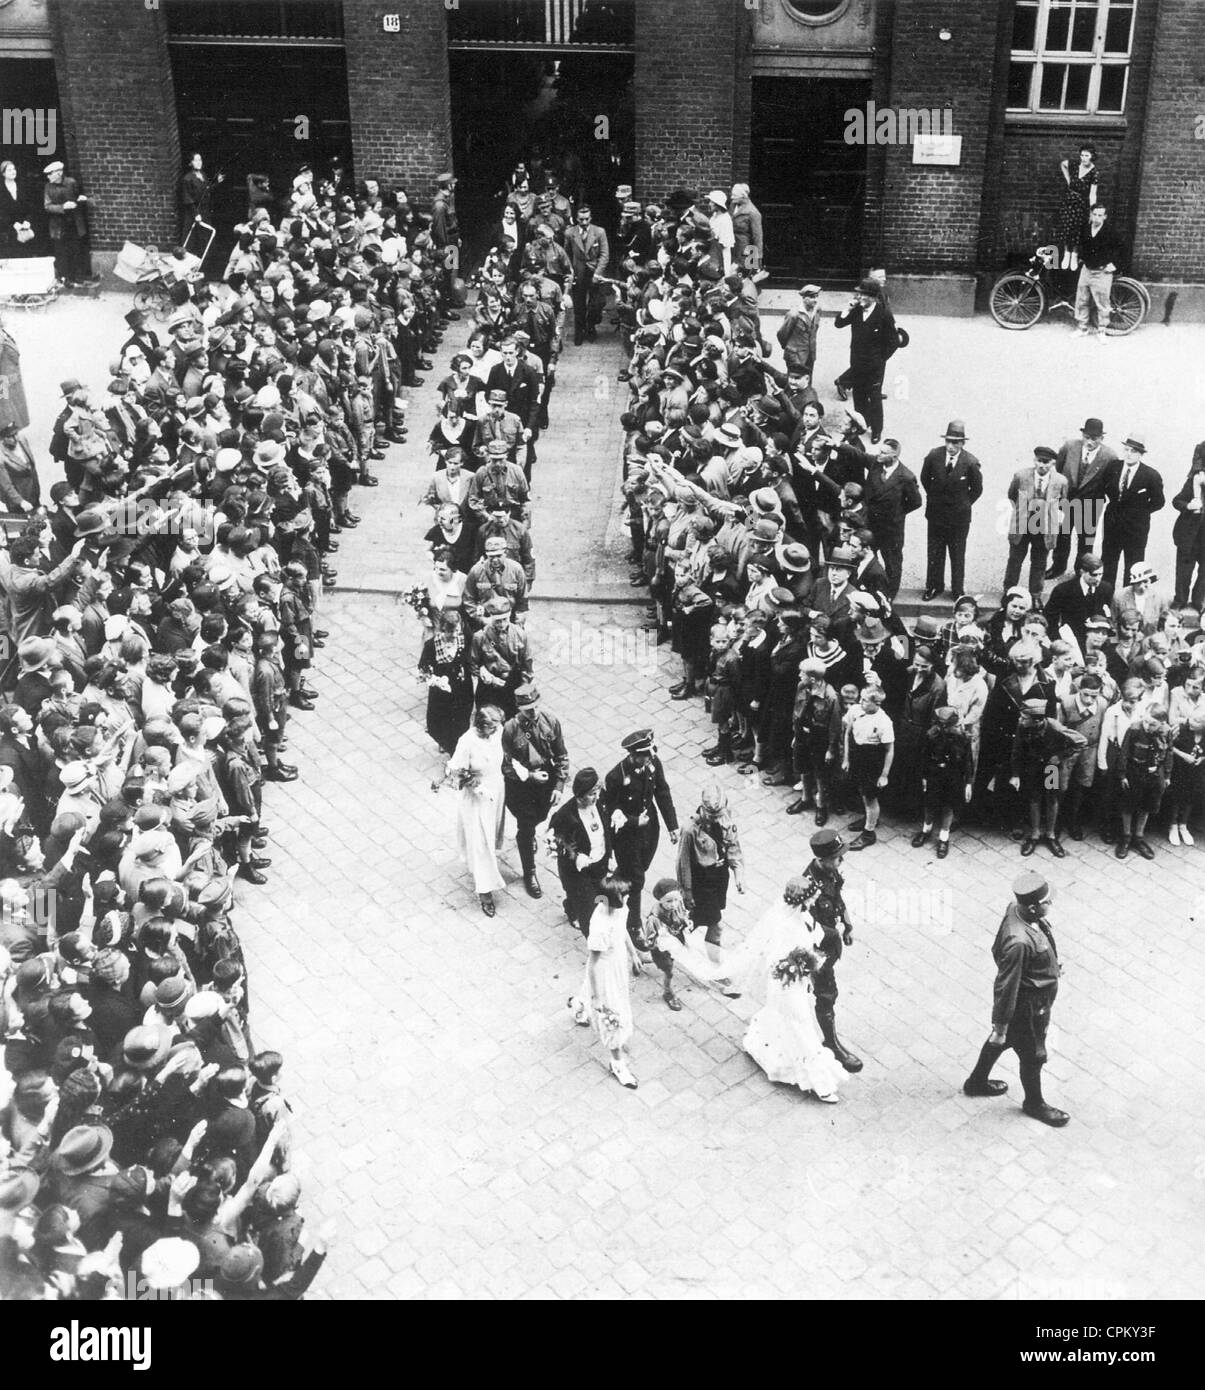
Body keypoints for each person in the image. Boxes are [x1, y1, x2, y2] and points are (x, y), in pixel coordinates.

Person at [962, 871, 1068, 1128]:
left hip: (1028, 1000)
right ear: (1032, 907)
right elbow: (1006, 986)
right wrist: (1000, 1025)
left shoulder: (1016, 909)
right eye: (1047, 902)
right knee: (1033, 1055)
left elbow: (999, 949)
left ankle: (976, 1082)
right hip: (1030, 1008)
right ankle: (1034, 1103)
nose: (1050, 904)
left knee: (1005, 1039)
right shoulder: (1019, 943)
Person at [602, 729, 679, 940]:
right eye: (645, 755)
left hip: (650, 831)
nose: (649, 758)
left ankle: (603, 893)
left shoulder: (653, 765)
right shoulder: (616, 777)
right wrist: (635, 821)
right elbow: (610, 812)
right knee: (637, 879)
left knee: (634, 872)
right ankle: (634, 926)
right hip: (627, 837)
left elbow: (662, 792)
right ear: (633, 755)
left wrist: (672, 825)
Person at [433, 704, 507, 917]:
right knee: (480, 842)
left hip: (497, 789)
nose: (496, 730)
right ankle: (485, 891)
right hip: (477, 797)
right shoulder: (467, 741)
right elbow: (458, 771)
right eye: (492, 727)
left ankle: (487, 866)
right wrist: (479, 788)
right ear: (482, 725)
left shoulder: (498, 732)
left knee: (491, 836)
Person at [567, 878, 640, 1089]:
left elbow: (622, 927)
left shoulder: (620, 907)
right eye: (624, 896)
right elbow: (594, 964)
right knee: (612, 1017)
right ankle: (617, 1064)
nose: (628, 899)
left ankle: (579, 1006)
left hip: (618, 963)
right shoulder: (599, 925)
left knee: (589, 993)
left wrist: (633, 952)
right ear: (614, 899)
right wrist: (598, 996)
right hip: (605, 972)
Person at [500, 684, 568, 899]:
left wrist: (559, 786)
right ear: (519, 708)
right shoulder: (510, 730)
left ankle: (528, 835)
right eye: (528, 709)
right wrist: (530, 776)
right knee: (526, 826)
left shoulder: (550, 720)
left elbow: (561, 756)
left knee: (540, 816)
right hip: (521, 786)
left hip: (546, 782)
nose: (533, 712)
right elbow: (505, 765)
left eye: (535, 706)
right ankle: (529, 872)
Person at [675, 785, 744, 970]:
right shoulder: (690, 829)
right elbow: (683, 864)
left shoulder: (725, 818)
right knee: (716, 926)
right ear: (703, 808)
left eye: (719, 814)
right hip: (701, 883)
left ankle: (672, 934)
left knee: (697, 919)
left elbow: (733, 845)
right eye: (711, 815)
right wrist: (687, 894)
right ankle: (717, 969)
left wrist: (738, 874)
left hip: (719, 879)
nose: (716, 819)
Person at [919, 420, 982, 601]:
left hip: (959, 519)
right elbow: (925, 479)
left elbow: (977, 490)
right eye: (948, 441)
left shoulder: (970, 462)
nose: (951, 446)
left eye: (955, 442)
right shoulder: (934, 456)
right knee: (935, 552)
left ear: (963, 443)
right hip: (936, 515)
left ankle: (957, 590)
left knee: (957, 554)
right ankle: (933, 586)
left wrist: (963, 504)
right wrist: (935, 498)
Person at [1049, 416, 1118, 578]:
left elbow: (1110, 482)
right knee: (1062, 536)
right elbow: (1058, 471)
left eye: (1094, 438)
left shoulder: (1110, 456)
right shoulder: (1069, 447)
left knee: (1086, 540)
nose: (1090, 442)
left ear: (1101, 438)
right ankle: (1058, 566)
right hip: (1067, 501)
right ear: (1082, 435)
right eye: (1087, 437)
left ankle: (1081, 570)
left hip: (1091, 504)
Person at [547, 767, 611, 936]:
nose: (596, 797)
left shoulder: (600, 802)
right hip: (579, 872)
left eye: (597, 792)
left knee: (599, 894)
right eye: (591, 794)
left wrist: (609, 855)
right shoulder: (565, 815)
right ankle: (593, 940)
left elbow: (605, 831)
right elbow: (555, 841)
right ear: (580, 795)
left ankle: (571, 905)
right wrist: (575, 857)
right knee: (587, 911)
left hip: (600, 862)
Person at [832, 278, 897, 443]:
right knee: (859, 395)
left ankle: (876, 430)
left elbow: (893, 342)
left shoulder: (884, 314)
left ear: (874, 297)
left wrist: (880, 359)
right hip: (856, 363)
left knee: (874, 398)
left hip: (875, 367)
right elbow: (839, 324)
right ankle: (861, 423)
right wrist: (847, 309)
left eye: (864, 295)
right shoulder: (856, 311)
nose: (860, 297)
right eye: (859, 294)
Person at [1099, 431, 1165, 590]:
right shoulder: (1113, 467)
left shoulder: (1151, 475)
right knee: (1108, 561)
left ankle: (1128, 599)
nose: (1128, 454)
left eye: (1133, 451)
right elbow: (1103, 487)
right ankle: (1106, 599)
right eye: (1126, 450)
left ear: (1141, 454)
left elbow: (1158, 502)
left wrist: (1140, 512)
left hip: (1136, 527)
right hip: (1112, 522)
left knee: (1133, 564)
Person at [862, 438, 921, 599]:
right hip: (871, 525)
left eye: (883, 453)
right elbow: (858, 455)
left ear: (894, 457)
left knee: (892, 564)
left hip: (891, 529)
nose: (878, 455)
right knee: (868, 559)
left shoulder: (906, 477)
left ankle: (889, 596)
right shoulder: (876, 464)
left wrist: (896, 513)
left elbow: (916, 502)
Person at [841, 686, 894, 852]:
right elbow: (847, 733)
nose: (860, 702)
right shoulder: (856, 711)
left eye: (865, 700)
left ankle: (869, 833)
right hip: (857, 755)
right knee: (862, 791)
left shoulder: (884, 722)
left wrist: (884, 775)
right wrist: (846, 758)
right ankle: (869, 818)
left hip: (873, 759)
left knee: (870, 797)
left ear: (876, 703)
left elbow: (889, 750)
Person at [1074, 203, 1123, 340]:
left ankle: (1102, 330)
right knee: (1082, 299)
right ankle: (1082, 327)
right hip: (1087, 269)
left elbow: (1121, 248)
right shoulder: (1085, 228)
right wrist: (1081, 258)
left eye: (1100, 215)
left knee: (1102, 303)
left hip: (1102, 272)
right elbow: (1081, 245)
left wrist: (1115, 264)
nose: (1096, 218)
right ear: (1090, 214)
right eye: (1094, 214)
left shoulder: (1110, 231)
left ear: (1105, 217)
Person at [564, 205, 609, 346]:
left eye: (587, 219)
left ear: (591, 218)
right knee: (579, 304)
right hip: (578, 271)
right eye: (581, 219)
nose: (584, 222)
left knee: (596, 303)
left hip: (594, 270)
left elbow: (604, 254)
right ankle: (579, 332)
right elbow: (567, 254)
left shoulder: (599, 232)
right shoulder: (570, 233)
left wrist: (598, 273)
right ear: (576, 219)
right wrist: (570, 271)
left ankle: (591, 326)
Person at [42, 160, 92, 286]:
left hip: (74, 222)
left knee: (77, 249)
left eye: (50, 174)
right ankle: (67, 278)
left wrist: (80, 200)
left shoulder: (71, 183)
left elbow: (79, 198)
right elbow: (47, 206)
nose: (48, 177)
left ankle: (79, 277)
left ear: (59, 173)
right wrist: (62, 207)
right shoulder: (48, 187)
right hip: (59, 224)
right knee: (63, 252)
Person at [1171, 443, 1205, 608]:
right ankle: (1180, 600)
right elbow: (1177, 501)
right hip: (1189, 534)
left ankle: (1198, 601)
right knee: (1184, 569)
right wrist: (1188, 506)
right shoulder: (1193, 482)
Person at [776, 284, 821, 377]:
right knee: (794, 382)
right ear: (804, 298)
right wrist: (790, 348)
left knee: (807, 379)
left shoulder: (817, 310)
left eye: (817, 297)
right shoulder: (794, 314)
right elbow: (781, 334)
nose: (815, 300)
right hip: (795, 356)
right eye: (812, 297)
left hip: (810, 354)